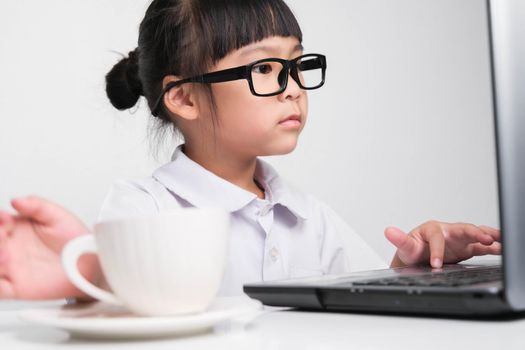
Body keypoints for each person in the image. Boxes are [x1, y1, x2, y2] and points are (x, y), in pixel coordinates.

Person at [0, 0, 501, 301]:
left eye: (296, 62)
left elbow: (360, 306)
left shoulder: (308, 216)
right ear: (184, 97)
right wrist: (84, 273)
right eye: (263, 68)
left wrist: (417, 266)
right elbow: (119, 306)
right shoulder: (142, 208)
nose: (293, 87)